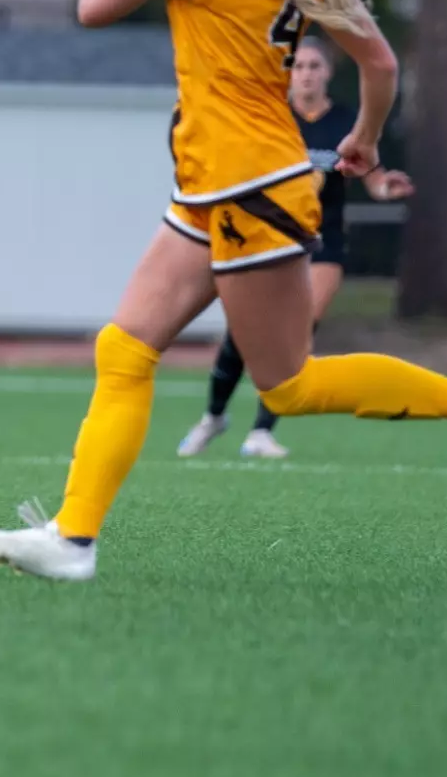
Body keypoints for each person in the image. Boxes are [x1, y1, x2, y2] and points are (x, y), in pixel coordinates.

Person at [0, 0, 447, 582]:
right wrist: (366, 138)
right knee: (126, 347)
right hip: (218, 186)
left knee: (291, 384)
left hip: (249, 185)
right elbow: (380, 65)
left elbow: (93, 7)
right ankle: (72, 539)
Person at [176, 34, 414, 459]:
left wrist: (383, 188)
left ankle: (261, 432)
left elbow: (370, 174)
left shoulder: (346, 122)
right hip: (269, 242)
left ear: (327, 73)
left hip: (324, 245)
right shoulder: (273, 118)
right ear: (288, 73)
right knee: (243, 334)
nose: (305, 75)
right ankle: (214, 416)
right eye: (299, 67)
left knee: (296, 334)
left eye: (314, 67)